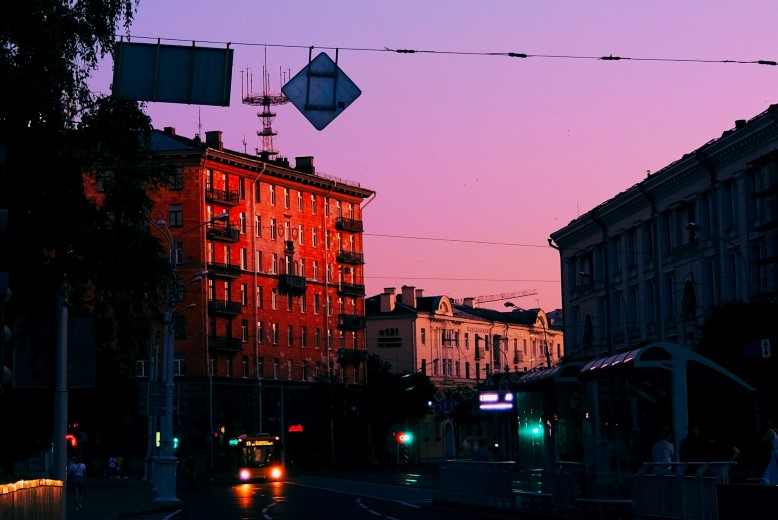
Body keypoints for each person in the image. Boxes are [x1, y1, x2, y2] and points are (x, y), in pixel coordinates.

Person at [761, 420, 778, 485]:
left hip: (776, 455)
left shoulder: (771, 432)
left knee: (769, 475)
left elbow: (763, 440)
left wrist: (768, 428)